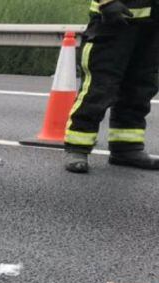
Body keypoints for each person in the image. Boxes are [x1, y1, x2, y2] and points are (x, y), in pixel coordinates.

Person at [63, 0, 159, 173]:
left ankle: (127, 148)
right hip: (111, 19)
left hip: (150, 24)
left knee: (139, 88)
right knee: (100, 87)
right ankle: (77, 147)